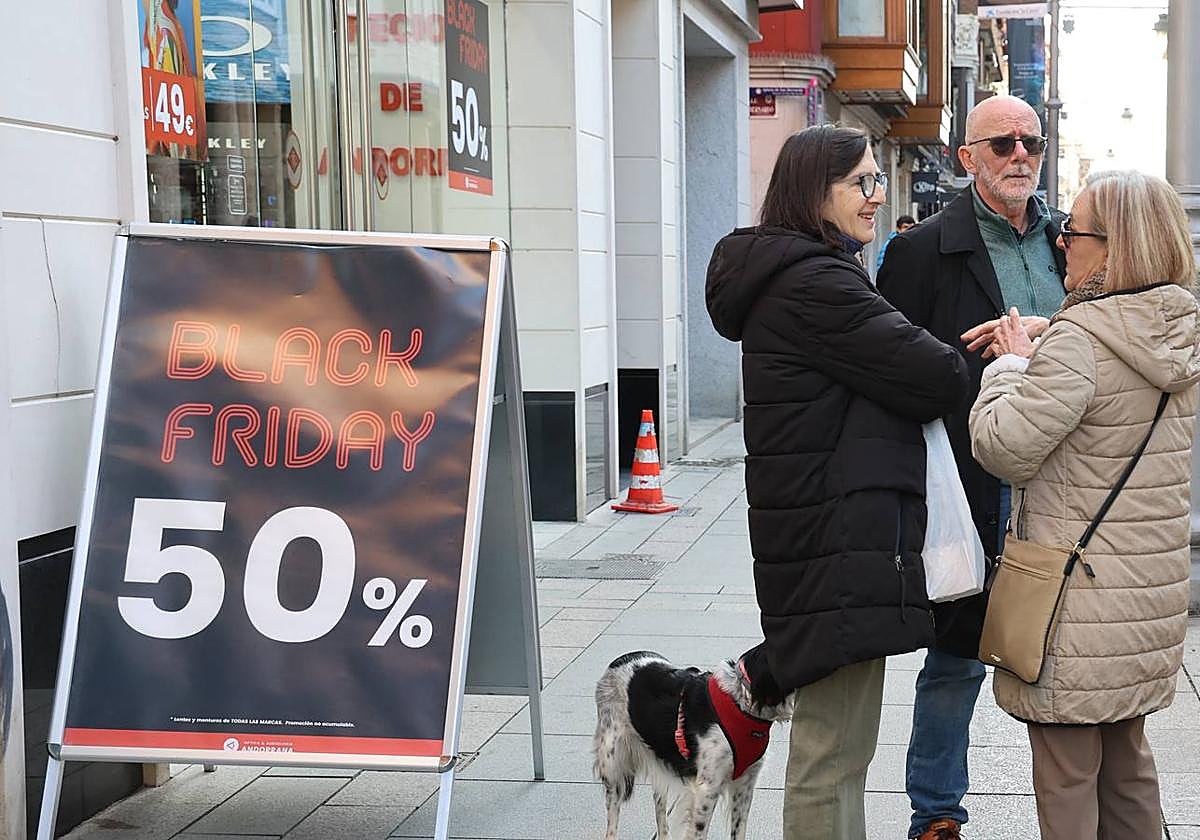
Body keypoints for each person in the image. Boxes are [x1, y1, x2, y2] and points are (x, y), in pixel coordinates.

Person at [705, 124, 968, 838]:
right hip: (835, 548)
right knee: (832, 756)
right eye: (863, 182)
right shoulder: (818, 282)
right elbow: (932, 375)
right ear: (814, 191)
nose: (877, 197)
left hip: (822, 541)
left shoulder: (804, 274)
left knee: (839, 751)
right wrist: (982, 352)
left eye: (877, 181)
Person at [968, 169, 1199, 839]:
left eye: (1077, 230)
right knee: (1128, 769)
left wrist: (1011, 365)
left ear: (1115, 246)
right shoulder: (1177, 328)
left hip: (1075, 604)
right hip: (1144, 601)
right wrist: (1059, 337)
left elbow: (1005, 448)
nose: (1062, 241)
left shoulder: (1079, 342)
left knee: (1068, 778)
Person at [876, 94, 1067, 840]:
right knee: (956, 662)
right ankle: (936, 815)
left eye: (1031, 142)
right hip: (968, 482)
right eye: (1002, 145)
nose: (1021, 155)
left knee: (1056, 662)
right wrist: (972, 358)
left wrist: (1044, 338)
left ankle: (1067, 811)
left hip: (1060, 485)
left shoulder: (1069, 242)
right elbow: (890, 369)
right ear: (967, 159)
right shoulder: (921, 251)